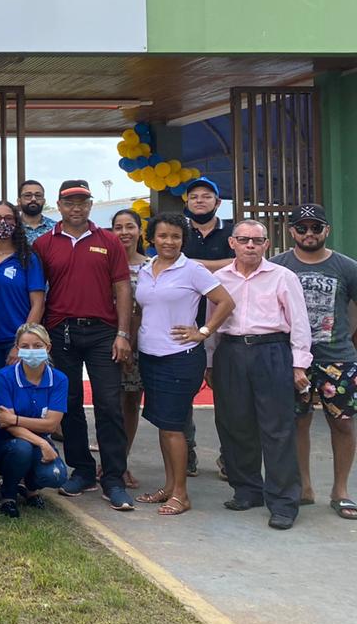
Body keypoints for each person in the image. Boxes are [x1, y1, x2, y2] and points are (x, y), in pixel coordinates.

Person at [31, 179, 135, 512]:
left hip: (103, 332)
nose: (77, 208)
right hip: (61, 331)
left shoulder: (108, 241)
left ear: (90, 205)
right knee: (70, 404)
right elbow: (38, 290)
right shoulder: (45, 244)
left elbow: (122, 289)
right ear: (59, 207)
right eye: (70, 203)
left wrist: (123, 333)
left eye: (83, 202)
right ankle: (83, 470)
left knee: (108, 404)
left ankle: (114, 478)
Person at [212, 219, 312, 530]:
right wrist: (210, 362)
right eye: (244, 240)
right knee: (234, 423)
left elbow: (299, 323)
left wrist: (299, 365)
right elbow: (210, 320)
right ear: (232, 244)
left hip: (271, 351)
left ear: (267, 244)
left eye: (257, 240)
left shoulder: (284, 277)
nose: (250, 246)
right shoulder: (219, 279)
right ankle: (247, 490)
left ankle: (283, 502)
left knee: (277, 428)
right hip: (229, 351)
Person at [132, 213, 235, 515]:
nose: (169, 242)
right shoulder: (146, 268)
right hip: (150, 356)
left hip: (180, 358)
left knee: (174, 427)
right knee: (164, 427)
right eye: (163, 236)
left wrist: (202, 331)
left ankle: (181, 494)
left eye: (176, 237)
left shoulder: (192, 270)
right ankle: (168, 486)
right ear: (152, 238)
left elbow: (226, 302)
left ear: (183, 240)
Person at [271, 204, 357, 520]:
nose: (309, 233)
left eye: (316, 227)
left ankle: (341, 491)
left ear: (327, 231)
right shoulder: (278, 266)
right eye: (302, 228)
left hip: (337, 358)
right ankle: (304, 487)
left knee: (344, 422)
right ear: (291, 231)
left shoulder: (347, 267)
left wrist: (350, 343)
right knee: (297, 422)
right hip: (293, 358)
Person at [181, 176, 236, 479]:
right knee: (185, 393)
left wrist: (192, 264)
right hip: (186, 322)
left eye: (206, 196)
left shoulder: (232, 232)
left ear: (217, 202)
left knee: (226, 394)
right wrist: (219, 265)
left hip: (225, 323)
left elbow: (240, 261)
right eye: (194, 196)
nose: (200, 200)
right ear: (186, 202)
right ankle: (186, 451)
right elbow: (170, 260)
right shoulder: (179, 231)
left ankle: (229, 456)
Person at [0, 324, 69, 518]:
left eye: (37, 345)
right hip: (6, 444)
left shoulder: (59, 379)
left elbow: (51, 424)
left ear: (48, 347)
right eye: (25, 346)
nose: (31, 351)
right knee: (22, 448)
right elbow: (5, 423)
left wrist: (15, 418)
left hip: (37, 442)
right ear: (17, 348)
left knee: (55, 475)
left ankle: (29, 487)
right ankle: (8, 495)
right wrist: (42, 442)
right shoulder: (4, 376)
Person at [0, 200, 45, 374]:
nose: (2, 222)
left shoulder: (28, 258)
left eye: (8, 218)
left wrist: (21, 344)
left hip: (15, 340)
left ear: (16, 223)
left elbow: (38, 304)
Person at [111, 208, 149, 490]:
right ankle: (108, 463)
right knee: (107, 404)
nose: (124, 232)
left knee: (129, 403)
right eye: (118, 227)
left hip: (141, 345)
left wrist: (132, 340)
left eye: (129, 227)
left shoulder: (152, 266)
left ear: (139, 231)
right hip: (106, 342)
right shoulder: (104, 264)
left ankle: (121, 462)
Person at [18, 180, 57, 244]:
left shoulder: (55, 228)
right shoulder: (12, 227)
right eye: (28, 195)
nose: (33, 199)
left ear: (44, 201)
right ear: (19, 201)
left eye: (38, 195)